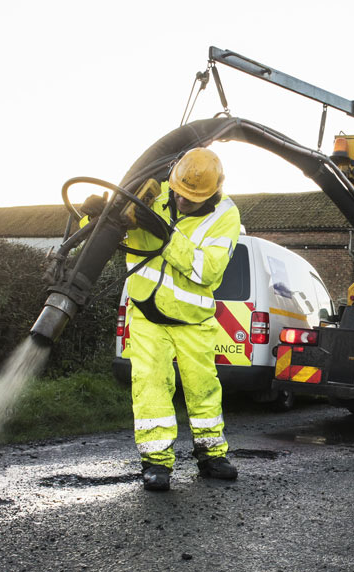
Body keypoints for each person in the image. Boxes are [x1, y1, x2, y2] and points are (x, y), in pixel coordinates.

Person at [111, 147, 241, 491]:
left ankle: (211, 454)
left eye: (191, 199)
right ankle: (156, 463)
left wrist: (166, 235)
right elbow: (119, 228)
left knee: (203, 390)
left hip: (192, 320)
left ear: (214, 191)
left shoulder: (226, 216)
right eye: (179, 193)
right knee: (150, 385)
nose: (182, 201)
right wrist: (94, 216)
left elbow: (208, 270)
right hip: (147, 314)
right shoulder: (154, 194)